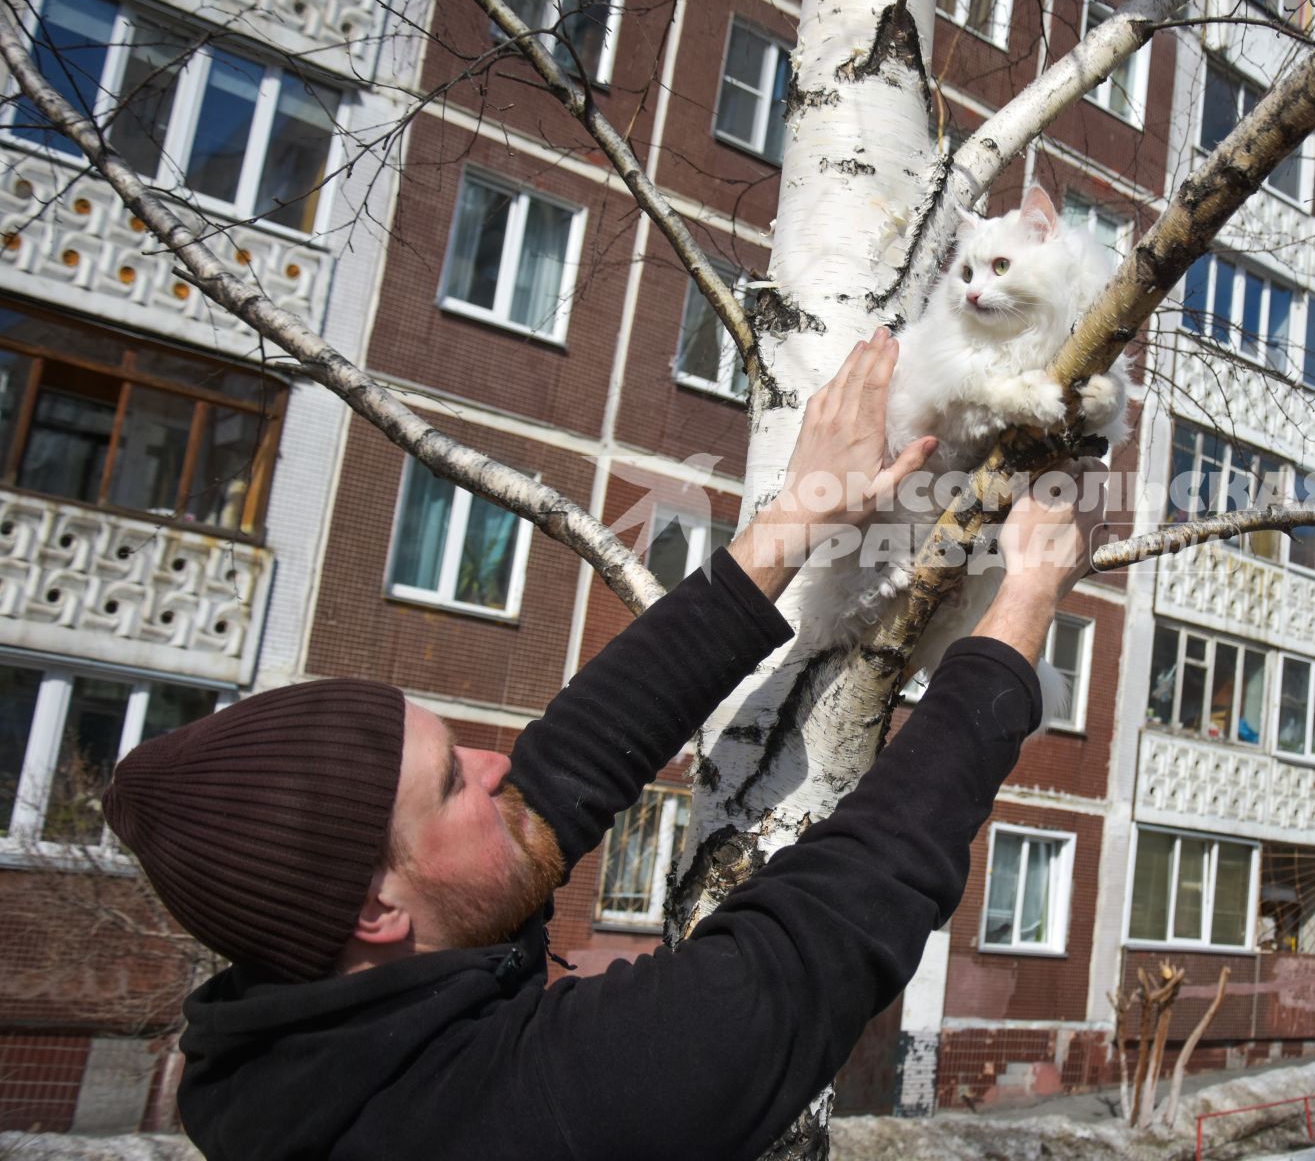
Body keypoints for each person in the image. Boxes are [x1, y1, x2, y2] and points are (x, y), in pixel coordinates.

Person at [101, 328, 1101, 1161]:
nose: (499, 765)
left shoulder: (296, 1046)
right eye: (452, 783)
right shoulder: (513, 1117)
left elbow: (564, 766)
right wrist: (1020, 606)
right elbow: (820, 940)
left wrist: (796, 517)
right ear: (374, 906)